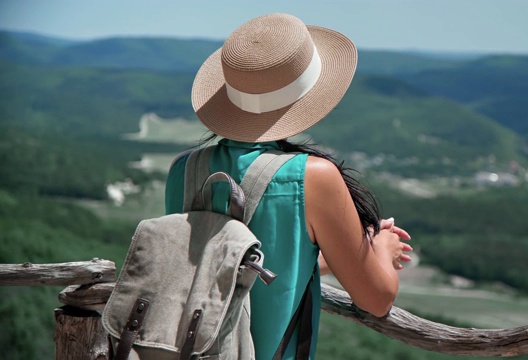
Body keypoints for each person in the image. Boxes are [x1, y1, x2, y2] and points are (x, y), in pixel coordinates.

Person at [164, 13, 412, 360]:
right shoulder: (314, 176)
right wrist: (380, 251)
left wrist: (350, 248)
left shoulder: (184, 170)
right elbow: (377, 299)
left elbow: (236, 264)